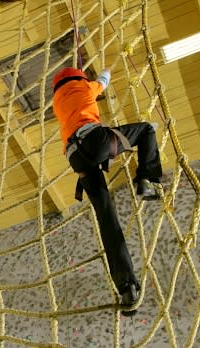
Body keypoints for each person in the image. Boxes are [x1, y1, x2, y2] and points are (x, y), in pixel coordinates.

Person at [52, 67, 163, 315]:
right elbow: (103, 81)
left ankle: (126, 287)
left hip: (76, 157)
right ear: (79, 79)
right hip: (95, 140)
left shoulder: (57, 103)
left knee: (107, 219)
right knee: (146, 130)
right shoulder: (84, 87)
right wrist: (105, 72)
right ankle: (146, 180)